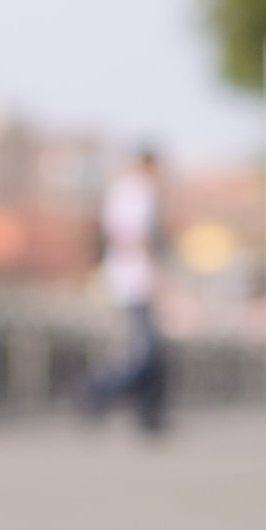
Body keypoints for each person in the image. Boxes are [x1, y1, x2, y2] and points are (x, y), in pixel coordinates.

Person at [83, 148, 167, 432]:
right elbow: (138, 237)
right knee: (147, 352)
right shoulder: (139, 192)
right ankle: (96, 393)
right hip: (135, 281)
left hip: (127, 280)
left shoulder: (120, 191)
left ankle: (147, 414)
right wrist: (158, 275)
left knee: (149, 351)